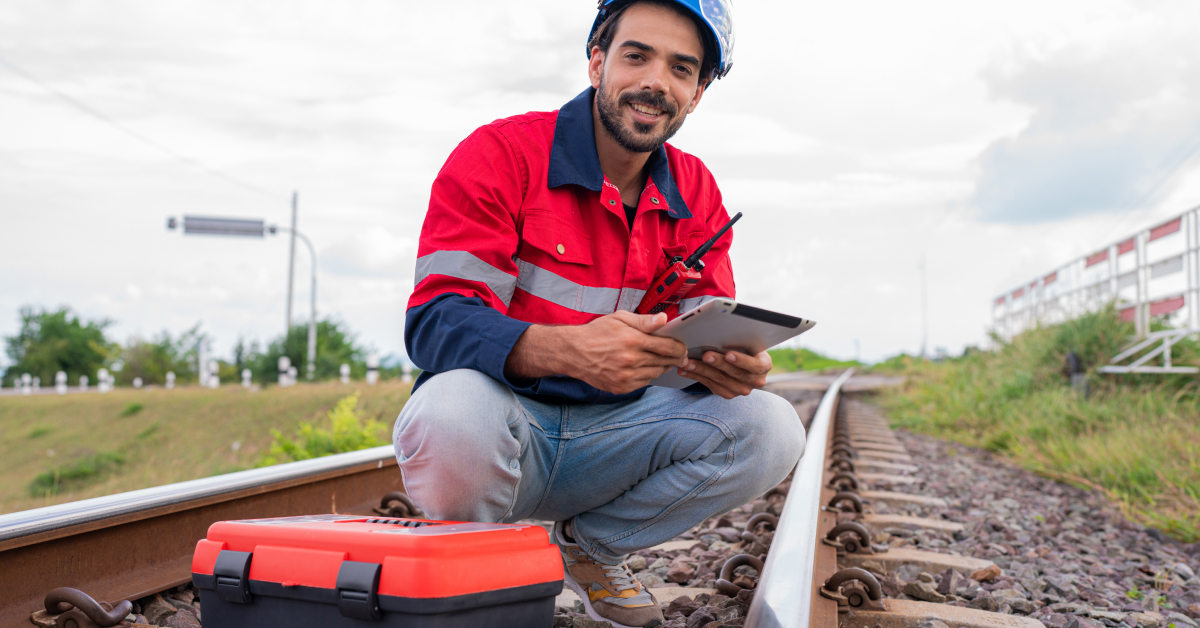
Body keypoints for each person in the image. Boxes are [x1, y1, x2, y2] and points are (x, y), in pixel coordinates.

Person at [395, 1, 805, 626]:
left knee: (771, 426)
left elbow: (704, 324)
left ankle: (589, 550)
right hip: (507, 432)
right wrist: (568, 349)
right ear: (596, 62)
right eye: (636, 56)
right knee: (450, 410)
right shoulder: (501, 153)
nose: (655, 83)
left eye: (681, 69)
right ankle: (479, 584)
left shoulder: (697, 191)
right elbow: (436, 320)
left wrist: (730, 365)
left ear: (697, 94)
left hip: (613, 442)